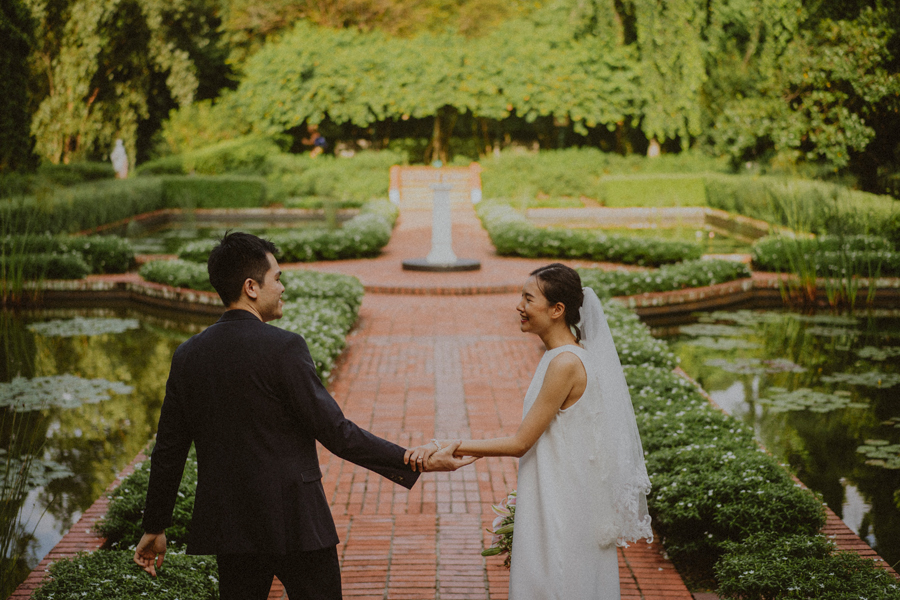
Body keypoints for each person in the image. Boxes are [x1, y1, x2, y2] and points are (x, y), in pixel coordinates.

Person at [133, 232, 473, 600]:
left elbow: (169, 448)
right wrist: (412, 460)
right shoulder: (284, 347)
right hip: (297, 522)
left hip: (231, 528)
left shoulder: (188, 355)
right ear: (251, 287)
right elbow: (336, 432)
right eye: (277, 278)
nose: (282, 287)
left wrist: (155, 524)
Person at [408, 263, 653, 599]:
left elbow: (522, 442)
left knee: (558, 583)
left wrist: (453, 444)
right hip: (561, 489)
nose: (519, 306)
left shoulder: (565, 363)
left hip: (562, 502)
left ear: (557, 310)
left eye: (528, 298)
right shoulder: (563, 355)